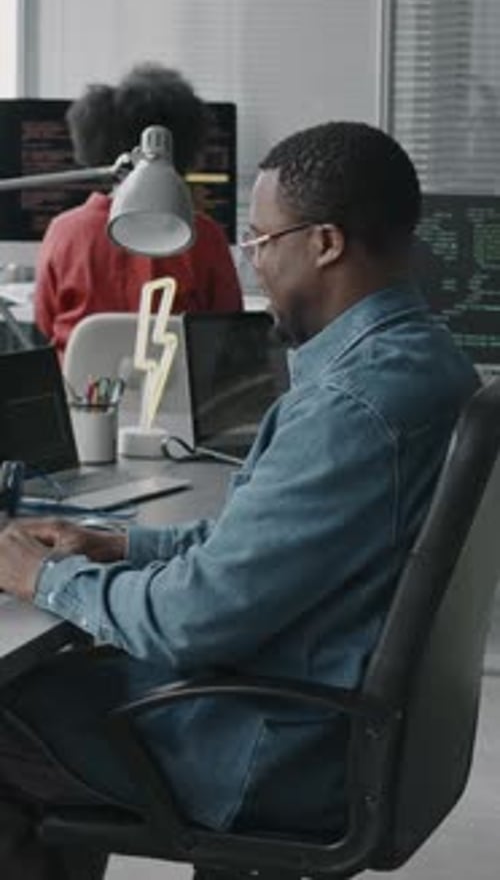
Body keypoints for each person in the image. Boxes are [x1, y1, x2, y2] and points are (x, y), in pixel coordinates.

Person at [0, 121, 478, 879]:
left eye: (259, 242)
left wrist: (40, 578)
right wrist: (122, 545)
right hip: (318, 715)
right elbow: (262, 548)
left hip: (266, 747)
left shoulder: (353, 405)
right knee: (58, 678)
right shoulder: (422, 363)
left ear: (323, 243)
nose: (253, 267)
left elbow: (192, 622)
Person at [34, 63, 243, 359]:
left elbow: (45, 323)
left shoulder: (63, 231)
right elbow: (229, 328)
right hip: (178, 399)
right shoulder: (204, 234)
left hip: (80, 399)